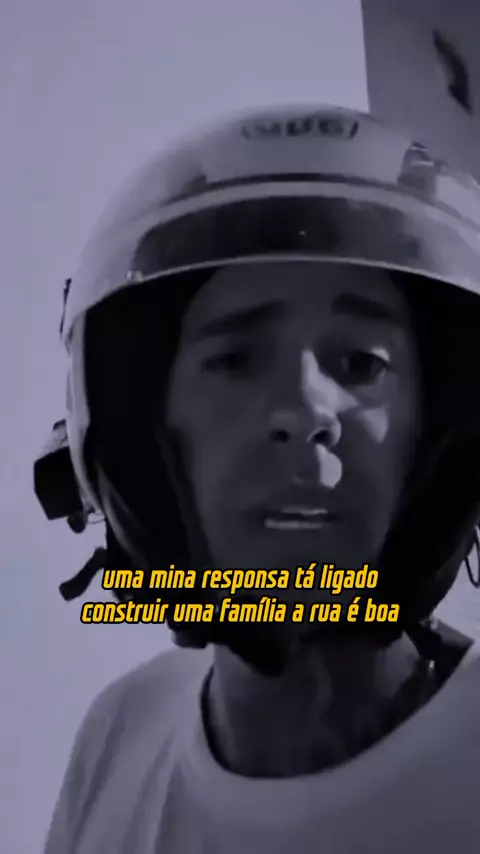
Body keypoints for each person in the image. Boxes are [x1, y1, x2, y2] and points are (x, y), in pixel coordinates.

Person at [43, 105, 480, 853]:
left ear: (438, 428)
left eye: (361, 363)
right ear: (147, 432)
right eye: (236, 360)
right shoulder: (120, 735)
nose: (306, 411)